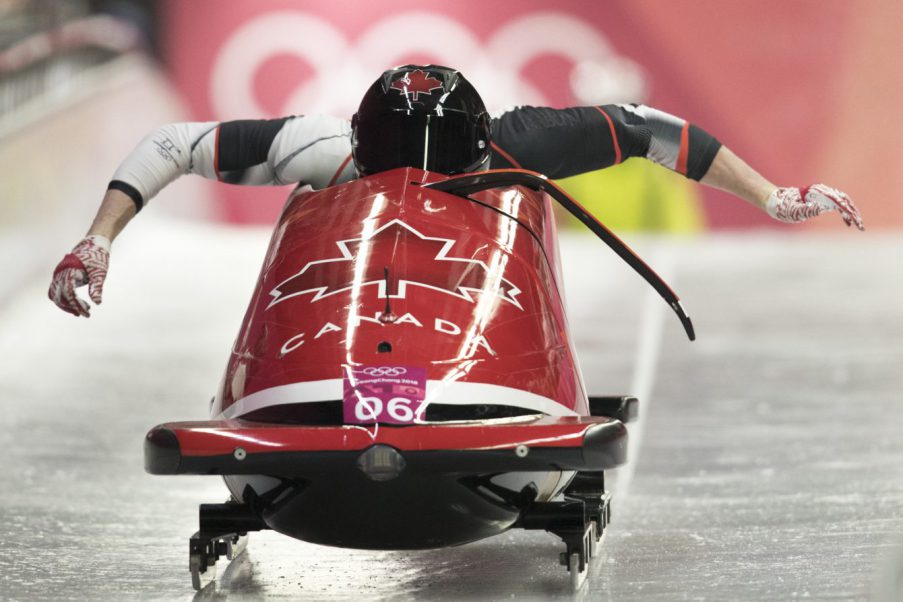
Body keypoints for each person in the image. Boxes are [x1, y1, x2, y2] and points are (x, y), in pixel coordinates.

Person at [48, 64, 864, 317]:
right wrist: (96, 239)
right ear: (360, 156)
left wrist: (774, 197)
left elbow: (653, 127)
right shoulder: (321, 147)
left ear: (481, 154)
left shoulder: (521, 142)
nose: (414, 189)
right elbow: (169, 144)